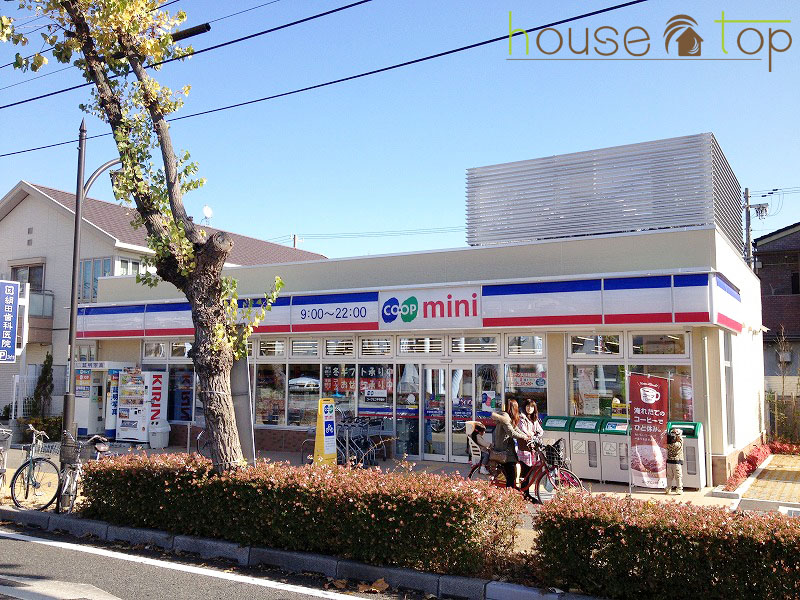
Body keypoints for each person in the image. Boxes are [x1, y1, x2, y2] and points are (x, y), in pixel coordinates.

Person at [491, 399, 532, 488]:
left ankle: (512, 490)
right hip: (505, 451)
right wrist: (524, 437)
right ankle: (510, 493)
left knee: (511, 473)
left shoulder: (506, 417)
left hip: (505, 449)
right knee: (511, 475)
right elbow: (511, 433)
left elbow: (515, 428)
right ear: (514, 408)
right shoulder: (505, 418)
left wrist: (525, 435)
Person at [517, 400, 544, 483]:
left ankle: (526, 490)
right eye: (528, 406)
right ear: (524, 407)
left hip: (532, 449)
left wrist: (534, 435)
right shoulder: (521, 418)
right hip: (524, 448)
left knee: (529, 472)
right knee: (525, 473)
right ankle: (523, 490)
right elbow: (524, 431)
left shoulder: (534, 419)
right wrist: (533, 434)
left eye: (532, 406)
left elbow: (541, 431)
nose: (529, 408)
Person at [666, 428, 684, 494]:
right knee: (678, 476)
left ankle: (668, 488)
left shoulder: (667, 444)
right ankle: (679, 489)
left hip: (669, 462)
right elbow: (681, 440)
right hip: (676, 462)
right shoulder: (678, 444)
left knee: (669, 477)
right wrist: (678, 435)